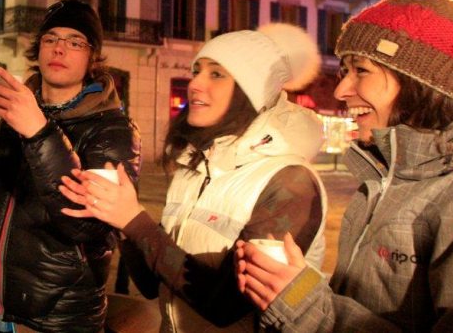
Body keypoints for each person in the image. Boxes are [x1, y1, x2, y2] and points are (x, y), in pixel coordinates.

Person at [235, 0, 453, 332]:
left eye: (361, 70)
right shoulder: (385, 179)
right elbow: (364, 303)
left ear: (423, 82)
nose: (341, 90)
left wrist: (303, 305)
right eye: (345, 70)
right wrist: (296, 286)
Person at [59, 24, 326, 331]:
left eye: (217, 74)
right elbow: (151, 285)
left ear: (251, 91)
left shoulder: (290, 181)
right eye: (196, 71)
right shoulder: (193, 170)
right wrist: (118, 218)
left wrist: (134, 220)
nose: (195, 83)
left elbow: (225, 305)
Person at [0, 0, 142, 332]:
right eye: (51, 38)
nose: (59, 48)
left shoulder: (113, 129)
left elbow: (89, 226)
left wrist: (39, 133)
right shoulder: (13, 118)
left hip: (56, 319)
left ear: (92, 56)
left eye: (75, 42)